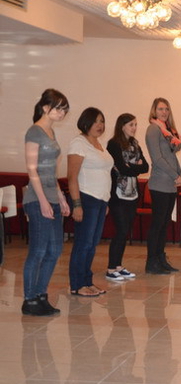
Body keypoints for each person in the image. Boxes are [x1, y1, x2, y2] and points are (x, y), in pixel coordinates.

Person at [21, 89, 71, 316]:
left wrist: (60, 197)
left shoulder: (51, 132)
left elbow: (51, 171)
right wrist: (42, 201)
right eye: (59, 108)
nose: (62, 113)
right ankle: (29, 299)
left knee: (55, 249)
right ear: (45, 107)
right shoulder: (34, 131)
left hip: (51, 196)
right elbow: (32, 170)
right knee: (39, 250)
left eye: (64, 109)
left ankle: (41, 295)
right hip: (36, 198)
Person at [67, 107, 114, 297]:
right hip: (86, 198)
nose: (100, 125)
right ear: (86, 122)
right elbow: (72, 177)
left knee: (92, 244)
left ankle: (87, 281)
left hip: (101, 201)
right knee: (83, 243)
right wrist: (77, 204)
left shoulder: (99, 144)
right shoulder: (79, 143)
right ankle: (77, 285)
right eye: (95, 121)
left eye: (102, 121)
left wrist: (105, 201)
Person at [106, 113, 149, 281]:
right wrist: (134, 166)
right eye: (131, 124)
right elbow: (121, 168)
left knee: (126, 231)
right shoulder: (114, 144)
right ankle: (111, 268)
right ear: (122, 126)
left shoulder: (135, 144)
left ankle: (118, 266)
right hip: (118, 194)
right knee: (121, 230)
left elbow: (145, 167)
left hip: (133, 193)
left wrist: (130, 167)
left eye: (136, 124)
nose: (134, 128)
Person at [144, 97, 181, 275]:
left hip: (170, 184)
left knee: (164, 224)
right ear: (154, 111)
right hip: (160, 183)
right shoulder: (153, 129)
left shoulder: (168, 131)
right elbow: (157, 159)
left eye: (167, 109)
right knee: (157, 224)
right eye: (160, 109)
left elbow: (171, 156)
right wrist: (175, 175)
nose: (164, 112)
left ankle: (161, 258)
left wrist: (179, 174)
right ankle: (151, 262)